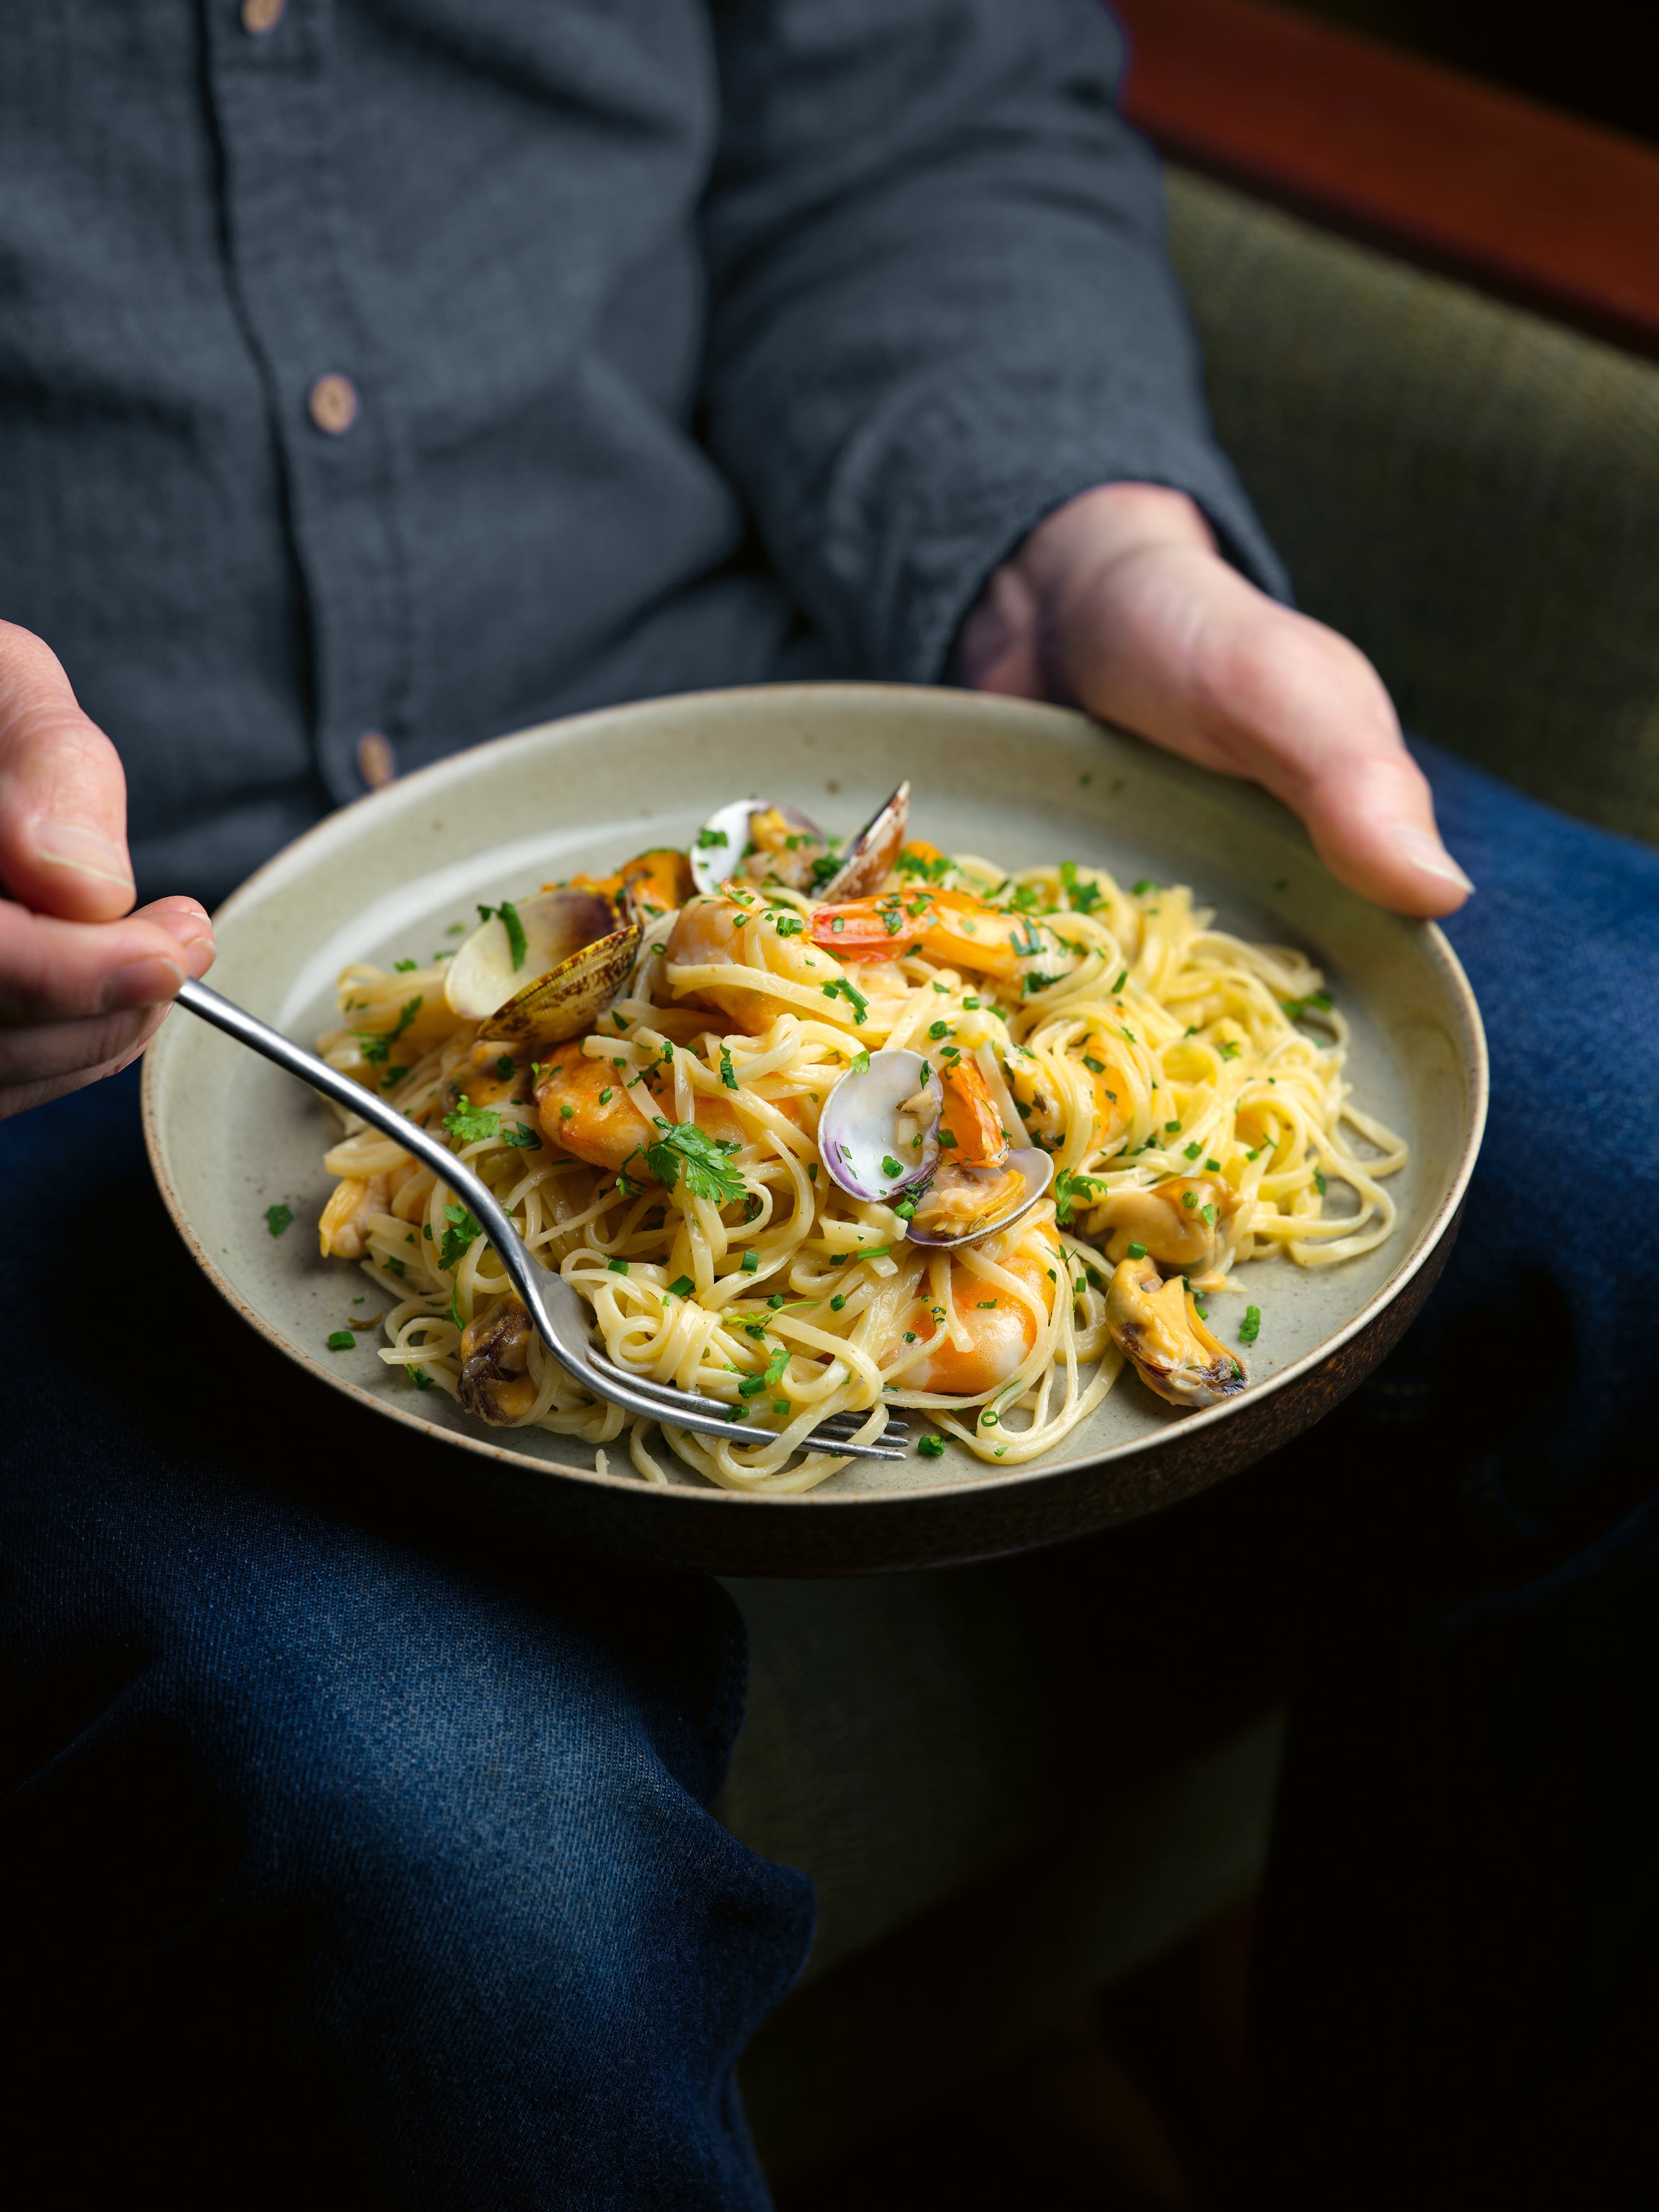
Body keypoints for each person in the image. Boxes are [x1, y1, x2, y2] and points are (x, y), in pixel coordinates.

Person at [3, 2, 1653, 2203]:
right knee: (459, 1855)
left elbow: (918, 102)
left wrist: (1069, 557)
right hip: (100, 1009)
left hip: (799, 747)